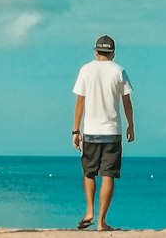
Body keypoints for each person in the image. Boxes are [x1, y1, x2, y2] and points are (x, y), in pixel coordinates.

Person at [71, 34, 134, 231]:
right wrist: (131, 125)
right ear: (113, 53)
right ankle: (101, 222)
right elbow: (126, 101)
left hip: (90, 131)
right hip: (112, 132)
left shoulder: (86, 70)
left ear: (96, 52)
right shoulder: (119, 71)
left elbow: (80, 101)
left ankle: (89, 210)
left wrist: (75, 130)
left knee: (89, 173)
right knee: (108, 175)